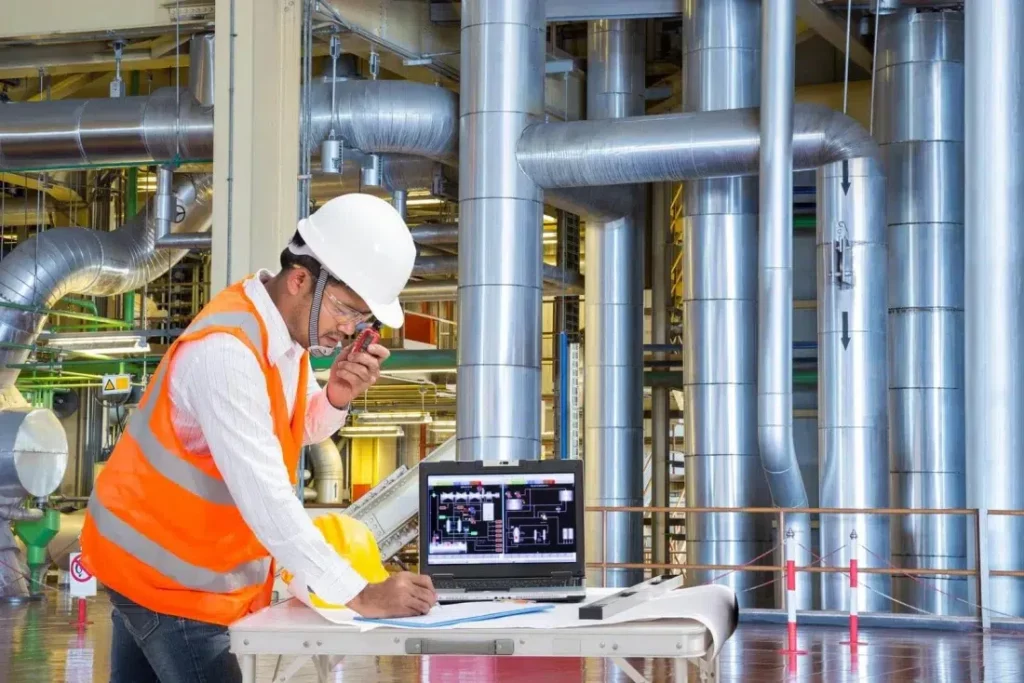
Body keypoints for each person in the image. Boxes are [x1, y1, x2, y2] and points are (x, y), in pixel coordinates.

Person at [80, 193, 437, 683]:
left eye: (362, 322)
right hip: (174, 584)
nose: (350, 331)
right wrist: (359, 591)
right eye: (347, 311)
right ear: (300, 280)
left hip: (155, 569)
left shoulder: (284, 341)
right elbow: (266, 496)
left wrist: (336, 395)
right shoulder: (228, 353)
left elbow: (297, 425)